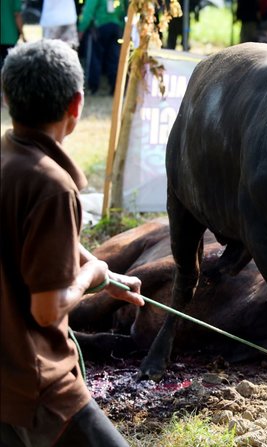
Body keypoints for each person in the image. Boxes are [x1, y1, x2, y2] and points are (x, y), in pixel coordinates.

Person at [0, 39, 145, 446]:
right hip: (39, 383)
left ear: (7, 96)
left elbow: (28, 241)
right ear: (77, 106)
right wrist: (91, 272)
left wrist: (106, 276)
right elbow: (46, 311)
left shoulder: (7, 157)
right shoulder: (52, 187)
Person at [77, 0, 126, 95]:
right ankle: (115, 87)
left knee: (95, 57)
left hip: (100, 27)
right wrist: (122, 26)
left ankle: (93, 87)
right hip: (116, 27)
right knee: (114, 58)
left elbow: (88, 11)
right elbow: (123, 11)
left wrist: (81, 29)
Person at [0, 0, 24, 71]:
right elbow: (17, 14)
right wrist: (22, 34)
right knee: (7, 67)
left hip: (8, 36)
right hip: (9, 35)